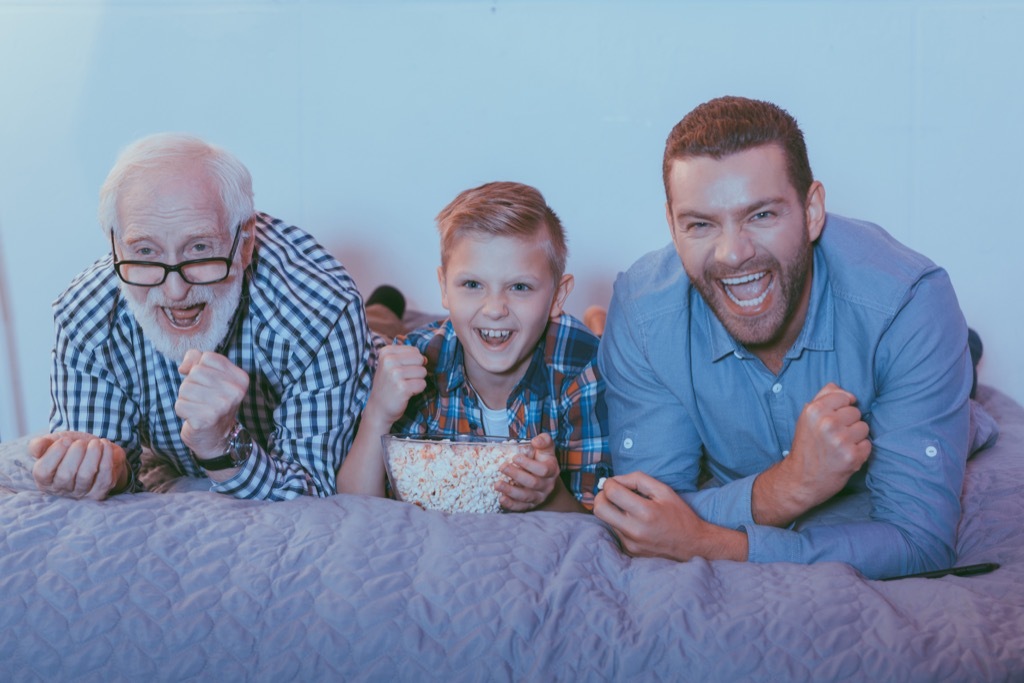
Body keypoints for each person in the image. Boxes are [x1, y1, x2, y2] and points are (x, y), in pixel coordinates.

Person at [593, 96, 998, 579]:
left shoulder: (910, 304)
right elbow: (651, 516)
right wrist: (789, 487)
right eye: (700, 224)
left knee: (961, 404)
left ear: (811, 211)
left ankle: (960, 362)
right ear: (672, 227)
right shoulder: (642, 312)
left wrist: (712, 543)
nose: (732, 253)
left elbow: (919, 542)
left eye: (761, 215)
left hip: (900, 333)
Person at [28, 133, 375, 501]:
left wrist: (223, 445)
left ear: (243, 244)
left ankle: (382, 312)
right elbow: (103, 463)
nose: (176, 292)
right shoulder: (85, 315)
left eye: (199, 248)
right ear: (114, 245)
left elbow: (315, 490)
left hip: (340, 339)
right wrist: (107, 471)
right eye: (145, 252)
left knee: (379, 342)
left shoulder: (321, 309)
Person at [338, 181, 609, 512]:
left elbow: (600, 522)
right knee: (375, 329)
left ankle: (599, 319)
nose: (495, 308)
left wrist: (550, 496)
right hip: (405, 334)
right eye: (472, 284)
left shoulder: (584, 366)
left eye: (520, 287)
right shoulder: (419, 354)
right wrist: (376, 414)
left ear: (557, 297)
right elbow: (355, 504)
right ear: (443, 287)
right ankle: (384, 305)